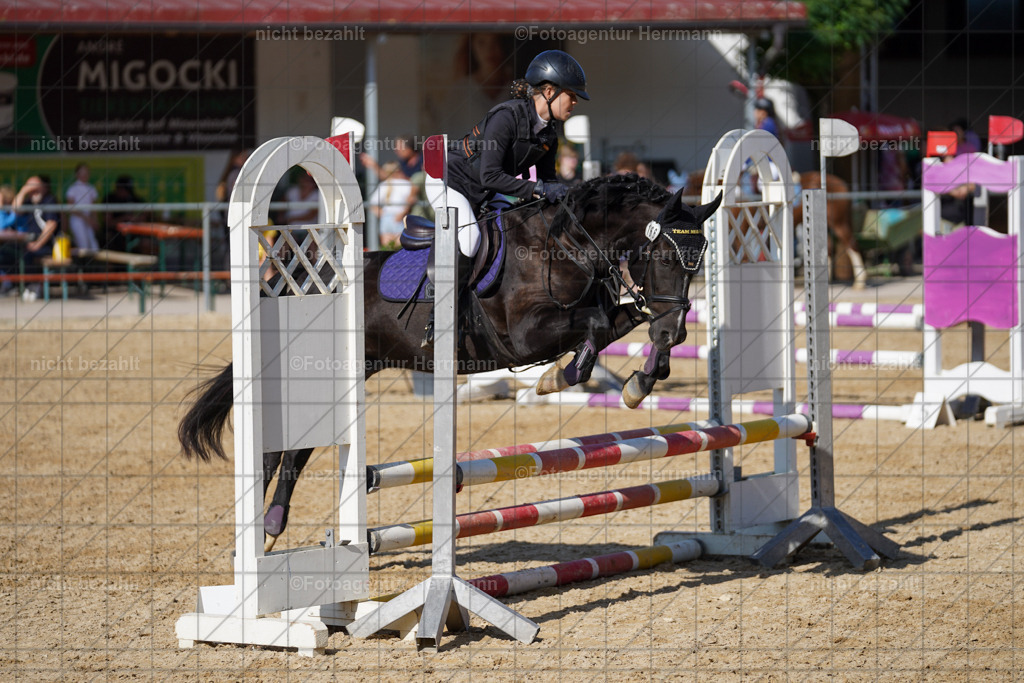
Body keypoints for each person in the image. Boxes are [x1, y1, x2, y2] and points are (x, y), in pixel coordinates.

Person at [438, 50, 589, 257]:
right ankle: (447, 290)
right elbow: (490, 175)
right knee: (470, 241)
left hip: (483, 190)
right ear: (548, 92)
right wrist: (538, 188)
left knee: (518, 229)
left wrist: (573, 195)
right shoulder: (506, 118)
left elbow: (548, 181)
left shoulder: (549, 135)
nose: (575, 102)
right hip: (450, 181)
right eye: (570, 95)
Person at [367, 161, 412, 248]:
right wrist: (402, 213)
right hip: (400, 218)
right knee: (400, 247)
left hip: (386, 218)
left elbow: (373, 204)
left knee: (387, 248)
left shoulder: (385, 184)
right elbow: (410, 201)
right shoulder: (406, 184)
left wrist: (383, 215)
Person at [65, 163, 99, 251]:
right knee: (83, 244)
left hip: (89, 219)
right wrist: (85, 217)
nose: (85, 175)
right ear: (77, 174)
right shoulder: (73, 188)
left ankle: (93, 264)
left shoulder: (91, 188)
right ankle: (82, 264)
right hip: (77, 219)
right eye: (82, 172)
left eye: (86, 172)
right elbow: (71, 208)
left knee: (93, 245)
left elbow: (93, 207)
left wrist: (95, 220)